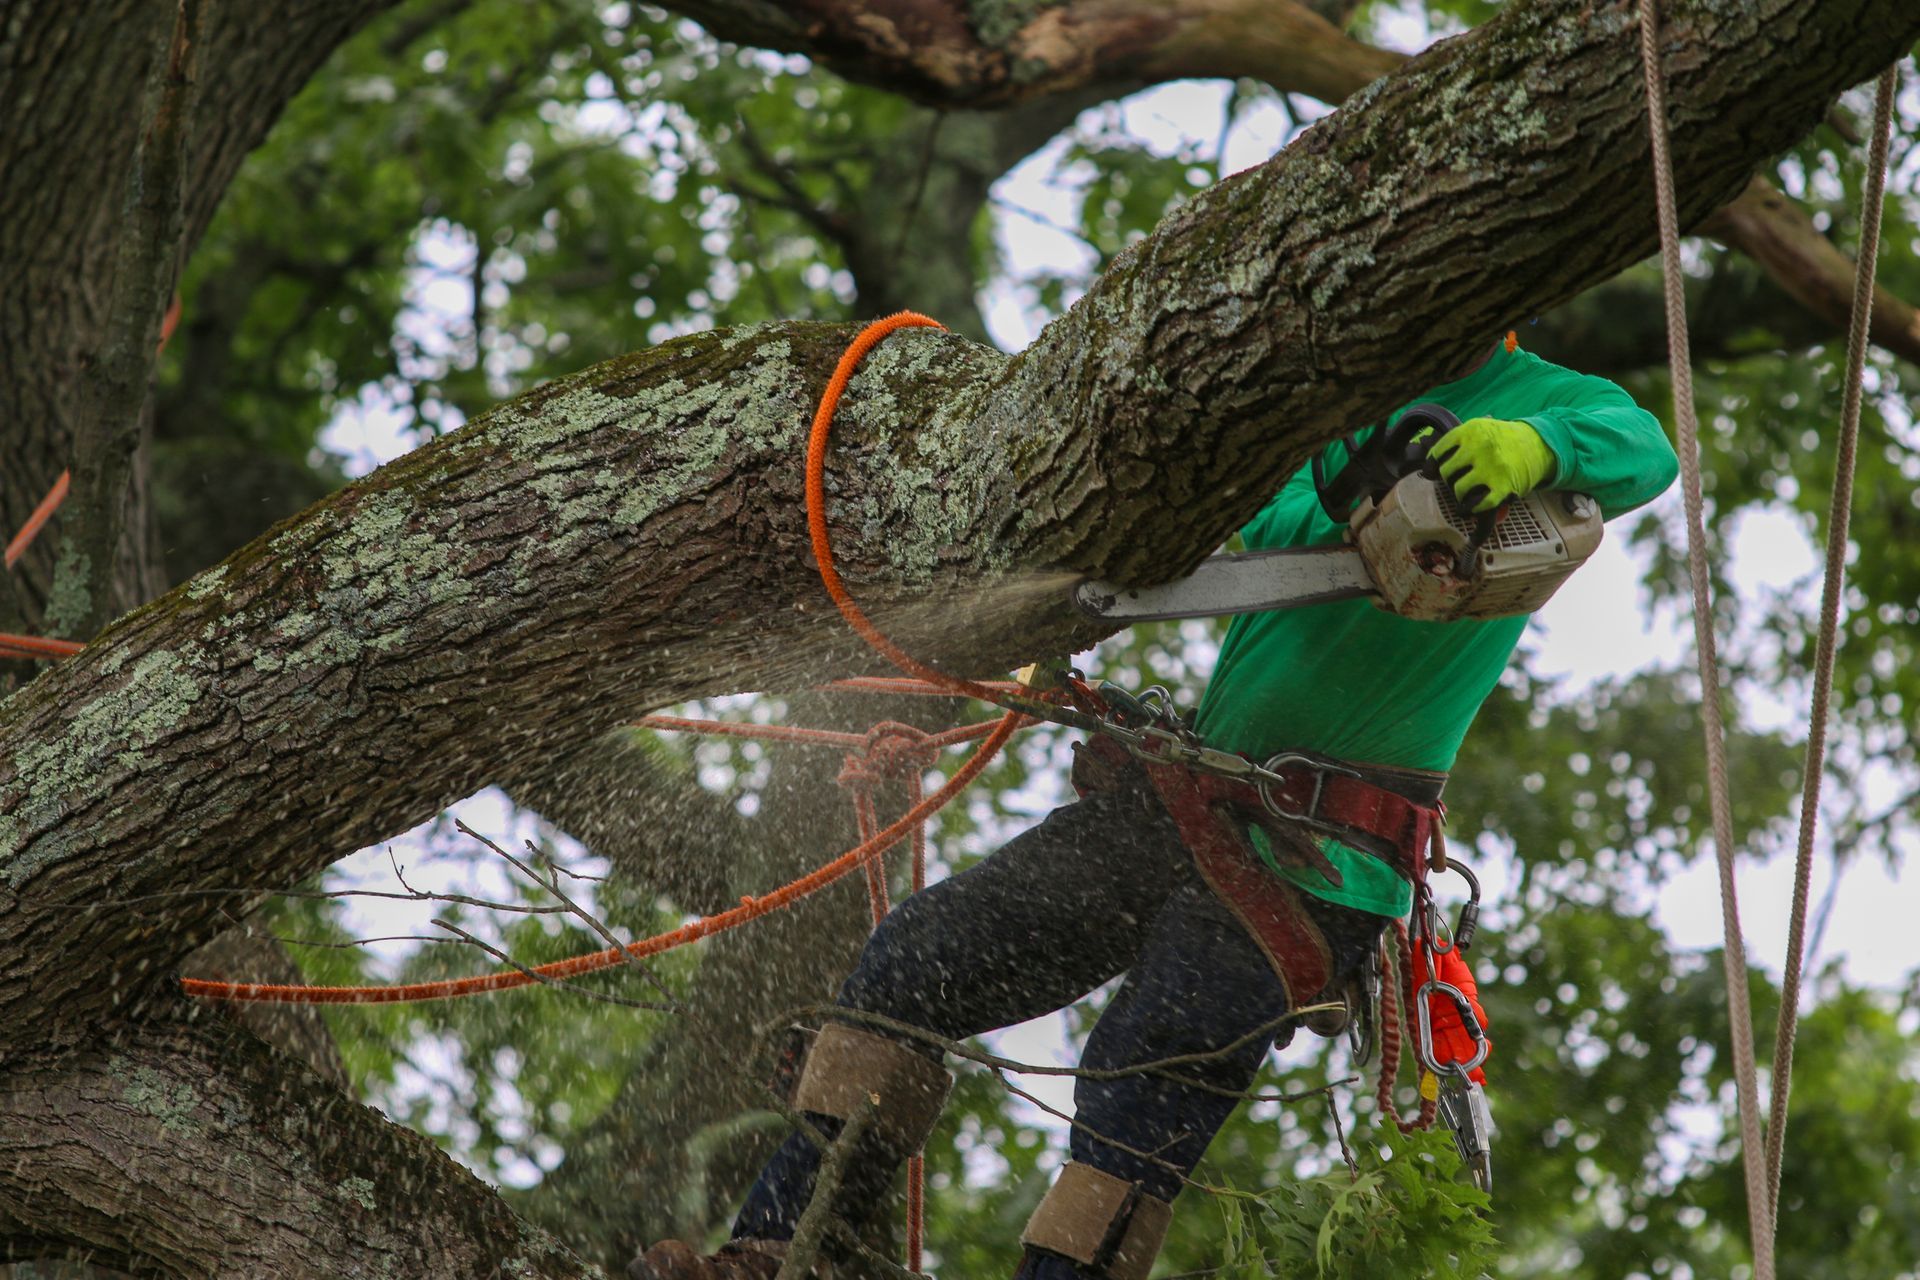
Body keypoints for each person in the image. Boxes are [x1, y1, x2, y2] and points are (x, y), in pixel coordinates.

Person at [631, 336, 1680, 1280]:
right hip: (1184, 800)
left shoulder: (1543, 398)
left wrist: (1534, 447)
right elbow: (1199, 545)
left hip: (1320, 863)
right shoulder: (1333, 422)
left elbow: (1642, 446)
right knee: (916, 957)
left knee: (1142, 1076)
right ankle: (788, 1247)